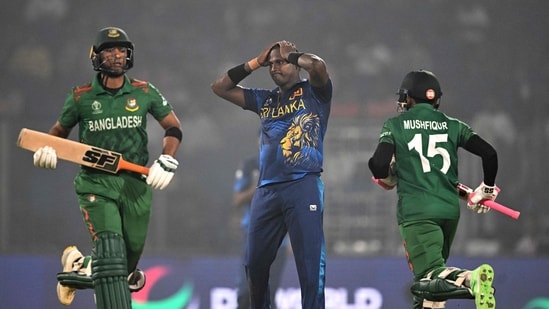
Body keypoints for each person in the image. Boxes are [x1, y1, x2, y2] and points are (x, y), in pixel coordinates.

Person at [32, 26, 182, 308]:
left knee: (125, 267)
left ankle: (77, 267)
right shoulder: (81, 96)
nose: (116, 56)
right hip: (96, 183)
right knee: (111, 250)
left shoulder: (144, 91)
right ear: (96, 57)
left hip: (136, 182)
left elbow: (173, 126)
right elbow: (56, 133)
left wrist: (167, 159)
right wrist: (47, 149)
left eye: (121, 50)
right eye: (109, 50)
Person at [211, 40, 332, 309]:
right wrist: (254, 62)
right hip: (266, 191)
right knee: (254, 265)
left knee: (310, 267)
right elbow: (220, 87)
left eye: (282, 62)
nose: (276, 67)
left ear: (296, 64)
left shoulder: (315, 93)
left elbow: (319, 66)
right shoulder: (265, 99)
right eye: (273, 63)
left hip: (303, 184)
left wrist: (295, 55)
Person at [368, 70, 498, 309]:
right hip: (449, 211)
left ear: (408, 98)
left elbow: (378, 165)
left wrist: (387, 173)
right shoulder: (453, 125)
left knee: (425, 279)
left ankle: (472, 280)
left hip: (417, 213)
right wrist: (486, 189)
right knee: (430, 284)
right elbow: (489, 154)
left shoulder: (396, 125)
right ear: (436, 99)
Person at [233, 153, 289, 309]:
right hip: (253, 238)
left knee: (270, 292)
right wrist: (257, 186)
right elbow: (237, 199)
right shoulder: (249, 165)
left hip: (279, 240)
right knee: (246, 291)